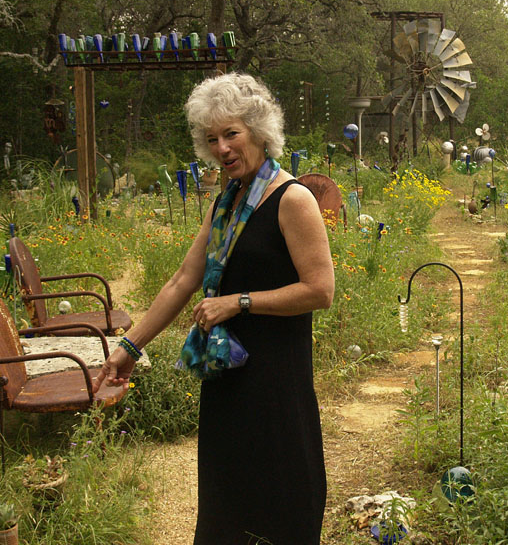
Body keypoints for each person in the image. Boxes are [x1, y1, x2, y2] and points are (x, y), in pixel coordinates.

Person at [93, 72, 335, 545]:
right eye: (212, 139)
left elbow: (319, 290)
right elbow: (183, 280)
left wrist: (238, 303)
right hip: (226, 377)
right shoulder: (225, 202)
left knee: (281, 500)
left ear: (259, 131)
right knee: (228, 504)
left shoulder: (293, 199)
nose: (222, 148)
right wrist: (128, 346)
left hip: (276, 382)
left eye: (231, 134)